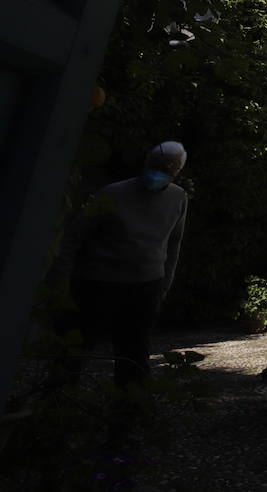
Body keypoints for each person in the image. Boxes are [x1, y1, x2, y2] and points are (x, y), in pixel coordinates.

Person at [60, 141, 190, 388]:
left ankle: (125, 416)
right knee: (75, 349)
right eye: (155, 165)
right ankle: (54, 406)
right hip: (97, 284)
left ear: (177, 173)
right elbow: (75, 236)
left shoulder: (178, 198)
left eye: (167, 168)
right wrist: (63, 280)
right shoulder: (112, 193)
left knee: (134, 355)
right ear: (145, 162)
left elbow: (173, 245)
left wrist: (163, 286)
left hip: (145, 286)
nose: (158, 171)